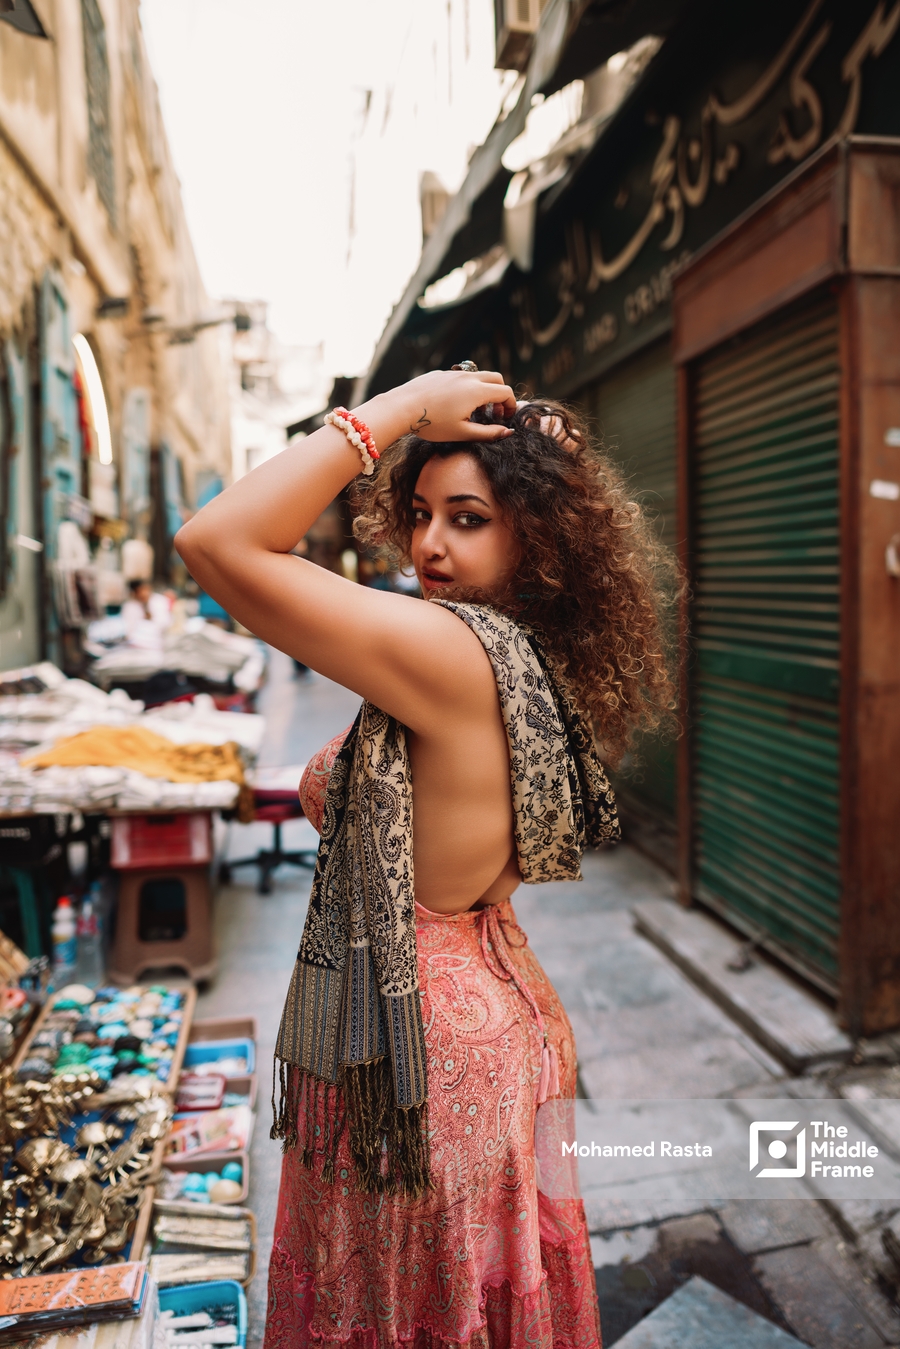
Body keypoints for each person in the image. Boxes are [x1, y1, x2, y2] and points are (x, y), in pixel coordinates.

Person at [175, 368, 676, 1348]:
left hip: (416, 1060)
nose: (429, 545)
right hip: (488, 1025)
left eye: (468, 518)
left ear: (536, 536)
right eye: (419, 513)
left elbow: (216, 541)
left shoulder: (453, 651)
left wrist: (401, 406)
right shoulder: (532, 648)